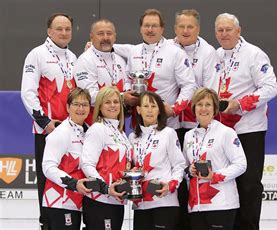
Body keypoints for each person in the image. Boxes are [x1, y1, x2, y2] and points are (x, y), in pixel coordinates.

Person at [214, 13, 277, 230]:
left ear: (238, 31)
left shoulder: (254, 54)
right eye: (220, 30)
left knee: (249, 184)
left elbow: (270, 88)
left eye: (228, 29)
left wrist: (239, 104)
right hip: (221, 130)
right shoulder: (215, 56)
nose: (224, 34)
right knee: (225, 182)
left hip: (248, 129)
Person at [20, 12, 77, 229]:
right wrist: (46, 123)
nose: (63, 33)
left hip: (72, 131)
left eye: (67, 29)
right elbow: (28, 92)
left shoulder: (73, 58)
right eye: (59, 29)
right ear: (49, 31)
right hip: (49, 130)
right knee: (47, 181)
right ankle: (46, 224)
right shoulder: (37, 54)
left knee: (69, 177)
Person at [113, 8, 196, 136]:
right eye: (146, 25)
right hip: (139, 126)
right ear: (140, 28)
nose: (150, 30)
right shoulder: (134, 51)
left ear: (162, 29)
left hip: (168, 126)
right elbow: (128, 80)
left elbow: (189, 85)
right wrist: (127, 94)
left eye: (154, 26)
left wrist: (174, 110)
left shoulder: (176, 53)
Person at [183, 88, 247, 230]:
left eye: (208, 104)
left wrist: (215, 176)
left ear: (215, 109)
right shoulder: (188, 136)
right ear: (194, 108)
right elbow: (183, 168)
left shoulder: (226, 132)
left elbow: (241, 164)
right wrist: (189, 170)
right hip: (196, 206)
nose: (203, 109)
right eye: (199, 104)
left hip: (221, 204)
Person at [128, 91, 186, 229]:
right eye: (146, 106)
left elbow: (179, 165)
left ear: (159, 110)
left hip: (164, 201)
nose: (149, 110)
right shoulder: (132, 138)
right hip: (140, 204)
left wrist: (171, 185)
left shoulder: (168, 133)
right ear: (138, 110)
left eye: (153, 106)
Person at [80, 86, 131, 229]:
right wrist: (106, 188)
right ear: (100, 106)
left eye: (116, 101)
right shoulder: (97, 129)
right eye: (108, 102)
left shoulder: (121, 133)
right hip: (100, 200)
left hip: (116, 200)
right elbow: (87, 164)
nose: (113, 105)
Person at [42, 88, 92, 229]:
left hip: (75, 203)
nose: (80, 108)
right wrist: (73, 183)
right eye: (76, 104)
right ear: (68, 107)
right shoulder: (62, 132)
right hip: (59, 203)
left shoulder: (87, 132)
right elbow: (48, 167)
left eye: (85, 104)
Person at [74, 19, 137, 123]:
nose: (106, 38)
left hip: (118, 124)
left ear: (115, 36)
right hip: (95, 123)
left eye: (109, 33)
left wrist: (130, 93)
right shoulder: (85, 60)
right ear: (91, 36)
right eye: (100, 34)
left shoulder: (119, 59)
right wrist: (121, 97)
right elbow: (88, 96)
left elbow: (126, 82)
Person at [172, 9, 220, 129]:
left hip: (195, 122)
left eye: (190, 27)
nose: (185, 31)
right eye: (181, 26)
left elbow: (211, 91)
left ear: (198, 29)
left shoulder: (208, 52)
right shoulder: (166, 48)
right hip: (170, 122)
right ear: (175, 29)